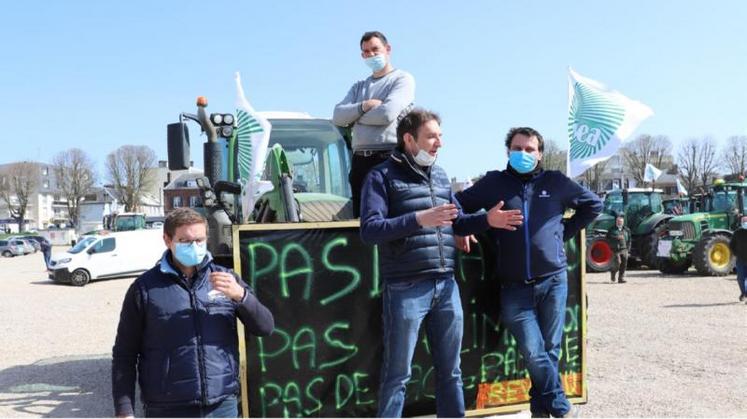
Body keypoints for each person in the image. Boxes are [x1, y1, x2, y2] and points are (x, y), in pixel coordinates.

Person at [360, 109, 524, 417]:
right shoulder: (381, 177)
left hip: (446, 285)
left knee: (451, 371)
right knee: (398, 375)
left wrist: (487, 220)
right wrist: (419, 219)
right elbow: (369, 230)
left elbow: (458, 222)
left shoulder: (440, 175)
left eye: (440, 136)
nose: (439, 143)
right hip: (405, 288)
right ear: (409, 139)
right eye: (432, 136)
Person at [455, 127, 603, 418]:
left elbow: (593, 205)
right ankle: (561, 407)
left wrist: (564, 233)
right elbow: (457, 207)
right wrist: (475, 224)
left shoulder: (556, 182)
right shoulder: (493, 183)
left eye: (530, 149)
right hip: (514, 288)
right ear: (508, 151)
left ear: (540, 154)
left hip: (554, 281)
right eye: (517, 148)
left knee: (550, 351)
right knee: (535, 352)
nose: (523, 154)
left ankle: (540, 412)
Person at [111, 208, 274, 418]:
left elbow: (265, 327)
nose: (194, 246)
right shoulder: (145, 289)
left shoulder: (226, 279)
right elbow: (124, 353)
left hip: (222, 405)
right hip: (168, 408)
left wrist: (241, 296)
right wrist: (124, 409)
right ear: (167, 240)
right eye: (185, 241)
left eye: (199, 240)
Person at [333, 30, 415, 217]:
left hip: (389, 157)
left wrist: (354, 119)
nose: (371, 54)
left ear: (387, 49)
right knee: (364, 220)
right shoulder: (359, 87)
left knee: (391, 217)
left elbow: (387, 114)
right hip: (360, 161)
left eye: (375, 49)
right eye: (366, 51)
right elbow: (338, 116)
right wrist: (365, 105)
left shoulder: (402, 79)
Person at [606, 213, 631, 283]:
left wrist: (628, 249)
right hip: (615, 250)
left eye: (621, 222)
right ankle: (613, 273)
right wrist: (616, 238)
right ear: (616, 222)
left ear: (623, 222)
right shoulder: (611, 229)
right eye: (618, 221)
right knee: (618, 263)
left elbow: (629, 240)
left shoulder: (626, 230)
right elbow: (608, 238)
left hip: (624, 249)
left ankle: (621, 278)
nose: (619, 222)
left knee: (624, 264)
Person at [729, 215, 747, 303]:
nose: (745, 223)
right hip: (740, 260)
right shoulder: (737, 233)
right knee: (740, 278)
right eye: (744, 222)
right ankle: (744, 293)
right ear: (741, 223)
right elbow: (731, 245)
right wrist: (736, 254)